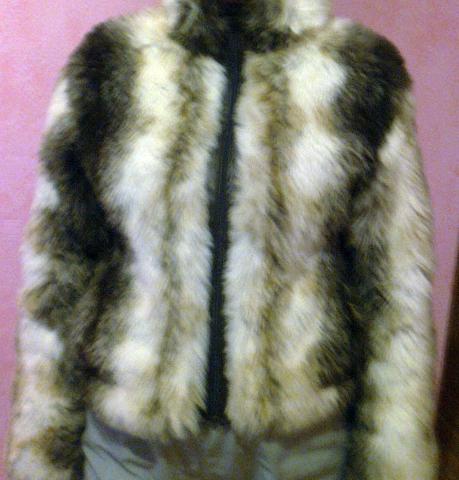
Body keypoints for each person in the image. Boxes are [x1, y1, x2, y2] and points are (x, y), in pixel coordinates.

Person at [6, 1, 439, 479]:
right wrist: (42, 456)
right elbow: (58, 273)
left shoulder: (362, 73)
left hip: (295, 450)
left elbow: (395, 289)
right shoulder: (110, 64)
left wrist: (395, 456)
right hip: (135, 450)